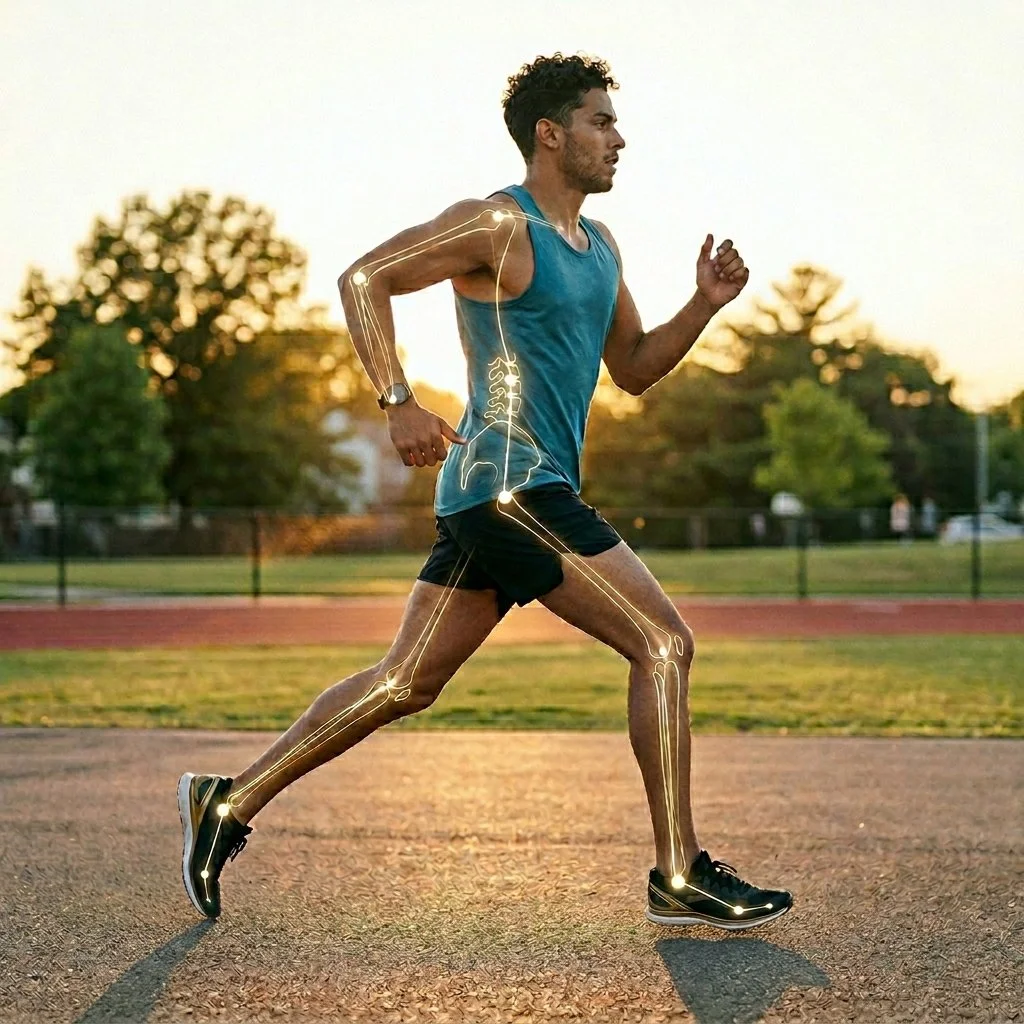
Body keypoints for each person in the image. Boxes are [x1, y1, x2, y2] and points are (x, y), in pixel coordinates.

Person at [178, 52, 792, 931]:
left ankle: (226, 805)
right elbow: (364, 279)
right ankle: (678, 871)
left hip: (495, 497)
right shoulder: (499, 225)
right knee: (663, 644)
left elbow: (635, 370)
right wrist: (396, 400)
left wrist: (705, 306)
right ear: (551, 134)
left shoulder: (599, 246)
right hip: (512, 486)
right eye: (600, 122)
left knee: (403, 683)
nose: (619, 138)